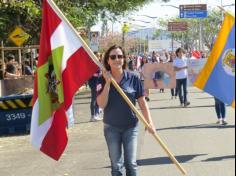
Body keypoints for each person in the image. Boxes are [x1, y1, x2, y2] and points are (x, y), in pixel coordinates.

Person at [97, 45, 155, 176]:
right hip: (111, 128)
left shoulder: (133, 78)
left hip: (131, 127)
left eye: (120, 56)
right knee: (116, 166)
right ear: (107, 60)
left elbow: (142, 102)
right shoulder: (101, 79)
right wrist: (107, 83)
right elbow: (101, 104)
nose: (116, 59)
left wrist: (149, 122)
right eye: (113, 57)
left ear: (124, 59)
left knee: (131, 164)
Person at [88, 52, 103, 122]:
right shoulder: (91, 63)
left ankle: (96, 114)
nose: (98, 57)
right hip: (93, 82)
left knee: (98, 98)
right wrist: (98, 74)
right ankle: (92, 116)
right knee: (94, 98)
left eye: (99, 56)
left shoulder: (99, 63)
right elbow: (90, 74)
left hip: (98, 83)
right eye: (97, 56)